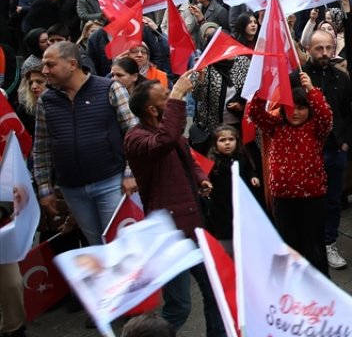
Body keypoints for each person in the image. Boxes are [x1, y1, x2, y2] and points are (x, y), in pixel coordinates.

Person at [122, 74, 225, 336]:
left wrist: (200, 178)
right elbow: (164, 143)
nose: (172, 99)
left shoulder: (167, 131)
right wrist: (179, 95)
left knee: (215, 289)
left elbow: (186, 158)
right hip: (170, 234)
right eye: (166, 97)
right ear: (153, 110)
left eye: (171, 94)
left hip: (192, 223)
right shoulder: (136, 138)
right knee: (179, 306)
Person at [33, 41, 138, 244]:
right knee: (97, 247)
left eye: (50, 64)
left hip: (111, 183)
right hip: (72, 190)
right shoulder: (45, 101)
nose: (45, 71)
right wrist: (44, 188)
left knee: (119, 244)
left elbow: (133, 134)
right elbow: (41, 148)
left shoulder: (110, 88)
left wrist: (129, 173)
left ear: (72, 64)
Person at [247, 73, 332, 276]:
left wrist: (311, 90)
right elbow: (255, 113)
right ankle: (292, 289)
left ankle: (320, 287)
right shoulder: (275, 127)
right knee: (288, 246)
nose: (295, 113)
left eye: (302, 108)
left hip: (311, 197)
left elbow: (325, 115)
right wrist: (263, 89)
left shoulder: (316, 129)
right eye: (291, 107)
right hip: (283, 198)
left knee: (314, 247)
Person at [299, 30, 352, 272]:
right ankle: (308, 246)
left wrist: (345, 142)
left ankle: (329, 242)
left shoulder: (341, 79)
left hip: (334, 149)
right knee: (308, 202)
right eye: (318, 48)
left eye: (328, 48)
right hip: (306, 151)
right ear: (309, 50)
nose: (324, 53)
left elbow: (348, 113)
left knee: (332, 200)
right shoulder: (298, 78)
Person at [203, 124, 262, 249]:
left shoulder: (241, 157)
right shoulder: (214, 161)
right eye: (222, 140)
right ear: (215, 144)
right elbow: (206, 178)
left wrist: (253, 177)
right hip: (221, 204)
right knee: (225, 233)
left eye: (231, 139)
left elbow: (249, 170)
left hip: (241, 201)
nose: (227, 143)